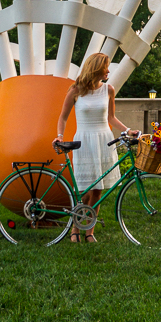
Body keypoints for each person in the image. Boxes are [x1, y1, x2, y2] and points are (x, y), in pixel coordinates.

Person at [52, 52, 139, 243]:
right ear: (96, 69)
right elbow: (63, 117)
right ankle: (75, 229)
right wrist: (59, 136)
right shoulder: (76, 90)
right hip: (83, 140)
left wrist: (128, 130)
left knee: (98, 189)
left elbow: (111, 118)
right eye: (105, 67)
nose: (108, 70)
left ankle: (89, 232)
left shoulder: (109, 90)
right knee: (86, 189)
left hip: (103, 140)